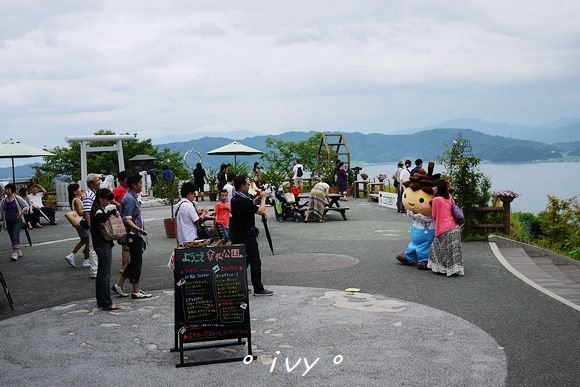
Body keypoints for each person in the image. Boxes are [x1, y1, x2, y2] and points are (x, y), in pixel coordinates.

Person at [230, 175, 273, 296]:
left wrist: (255, 200)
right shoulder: (243, 200)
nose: (249, 186)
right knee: (255, 261)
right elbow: (261, 211)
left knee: (243, 262)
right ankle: (258, 288)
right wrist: (264, 199)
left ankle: (241, 286)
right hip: (247, 235)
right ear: (242, 185)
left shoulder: (235, 199)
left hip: (238, 234)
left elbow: (248, 206)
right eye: (247, 184)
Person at [112, 174, 152, 299]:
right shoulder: (129, 199)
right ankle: (135, 290)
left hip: (135, 233)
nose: (141, 185)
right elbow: (127, 219)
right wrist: (138, 229)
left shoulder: (132, 197)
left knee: (134, 262)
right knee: (136, 262)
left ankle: (120, 285)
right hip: (133, 234)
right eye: (140, 183)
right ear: (134, 185)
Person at [90, 188, 121, 310]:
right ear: (101, 198)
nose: (108, 202)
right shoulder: (98, 210)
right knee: (105, 274)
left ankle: (101, 300)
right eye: (107, 199)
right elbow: (100, 219)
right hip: (102, 243)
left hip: (98, 243)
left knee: (101, 274)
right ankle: (107, 302)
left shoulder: (95, 208)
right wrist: (110, 212)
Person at [428, 179, 465, 276]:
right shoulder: (450, 199)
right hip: (455, 228)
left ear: (439, 188)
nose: (433, 188)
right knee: (453, 250)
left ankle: (443, 268)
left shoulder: (436, 200)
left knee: (437, 248)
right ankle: (454, 269)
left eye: (434, 186)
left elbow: (434, 216)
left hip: (444, 228)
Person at [174, 182, 209, 247]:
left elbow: (176, 224)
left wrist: (177, 241)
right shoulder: (189, 205)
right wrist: (204, 213)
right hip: (191, 240)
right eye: (194, 194)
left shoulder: (177, 205)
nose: (194, 196)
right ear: (190, 193)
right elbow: (197, 221)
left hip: (181, 239)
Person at [0, 183, 29, 261]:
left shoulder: (17, 198)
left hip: (17, 220)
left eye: (7, 189)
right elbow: (1, 211)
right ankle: (18, 250)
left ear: (12, 190)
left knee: (15, 235)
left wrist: (21, 211)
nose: (6, 191)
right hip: (8, 221)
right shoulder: (3, 200)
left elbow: (26, 206)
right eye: (5, 189)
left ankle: (15, 252)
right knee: (12, 236)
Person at [64, 183, 90, 268]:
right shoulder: (77, 200)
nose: (81, 189)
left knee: (84, 241)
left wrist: (82, 195)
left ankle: (71, 255)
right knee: (87, 241)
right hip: (82, 223)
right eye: (79, 189)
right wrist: (88, 211)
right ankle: (86, 260)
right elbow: (80, 212)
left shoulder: (77, 199)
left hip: (80, 223)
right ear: (75, 192)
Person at [83, 174, 101, 278]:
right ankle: (94, 271)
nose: (99, 182)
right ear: (91, 183)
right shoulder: (88, 195)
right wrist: (91, 226)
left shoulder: (95, 193)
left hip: (97, 223)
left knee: (96, 246)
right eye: (97, 180)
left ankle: (97, 268)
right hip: (93, 224)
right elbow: (87, 212)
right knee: (93, 247)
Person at [112, 171, 130, 274]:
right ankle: (124, 266)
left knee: (130, 243)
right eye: (126, 179)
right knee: (125, 244)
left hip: (131, 218)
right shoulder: (118, 190)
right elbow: (109, 198)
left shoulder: (129, 189)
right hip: (123, 219)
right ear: (121, 181)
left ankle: (128, 264)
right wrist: (119, 204)